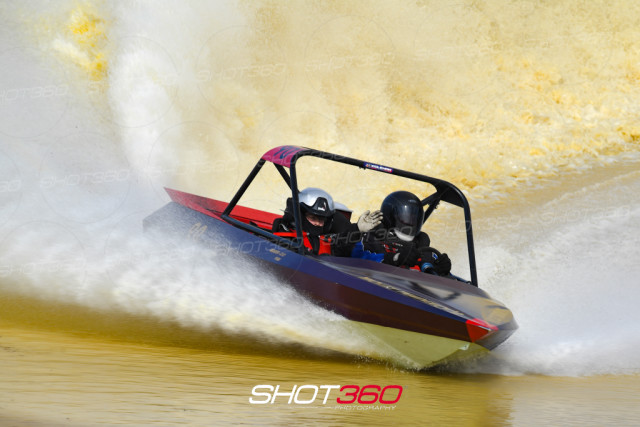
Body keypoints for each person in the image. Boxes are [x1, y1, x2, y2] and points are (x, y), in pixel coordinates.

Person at [362, 190, 452, 276]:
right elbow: (363, 259)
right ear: (390, 216)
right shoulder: (372, 240)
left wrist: (440, 270)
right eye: (406, 217)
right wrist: (395, 258)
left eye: (414, 218)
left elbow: (433, 273)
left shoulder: (422, 245)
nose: (410, 222)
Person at [272, 187, 383, 256]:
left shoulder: (317, 239)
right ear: (300, 216)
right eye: (313, 218)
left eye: (321, 220)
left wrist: (356, 229)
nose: (318, 224)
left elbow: (339, 249)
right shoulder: (284, 238)